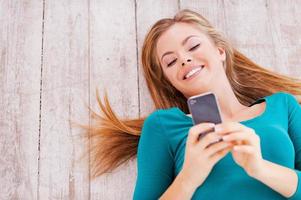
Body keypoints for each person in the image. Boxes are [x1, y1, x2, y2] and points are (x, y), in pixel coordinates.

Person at [84, 9, 301, 199]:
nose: (184, 59)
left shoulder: (283, 106)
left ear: (220, 51)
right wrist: (189, 177)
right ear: (169, 82)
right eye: (170, 62)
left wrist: (260, 168)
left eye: (193, 46)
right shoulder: (163, 125)